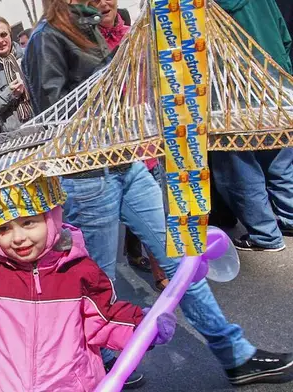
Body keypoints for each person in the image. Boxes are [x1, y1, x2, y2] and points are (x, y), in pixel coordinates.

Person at [23, 0, 293, 387]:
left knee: (182, 262)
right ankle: (97, 364)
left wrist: (127, 64)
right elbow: (52, 113)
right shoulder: (47, 38)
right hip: (86, 176)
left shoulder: (88, 25)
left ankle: (236, 356)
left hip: (126, 163)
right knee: (95, 281)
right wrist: (115, 78)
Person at [0, 177, 177, 391]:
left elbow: (105, 320)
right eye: (5, 228)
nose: (18, 237)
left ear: (51, 218)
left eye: (28, 222)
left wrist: (142, 328)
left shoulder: (79, 272)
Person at [95, 0, 169, 292]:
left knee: (154, 216)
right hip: (111, 152)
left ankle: (160, 270)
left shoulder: (134, 37)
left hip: (146, 144)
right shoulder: (83, 47)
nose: (103, 3)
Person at [213, 0, 293, 252]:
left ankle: (265, 234)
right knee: (279, 156)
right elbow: (284, 36)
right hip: (277, 79)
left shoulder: (201, 5)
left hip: (233, 88)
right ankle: (289, 217)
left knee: (238, 165)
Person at [0, 17, 34, 133]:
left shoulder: (28, 55)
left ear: (10, 34)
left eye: (3, 34)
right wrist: (9, 93)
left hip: (42, 128)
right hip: (13, 139)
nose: (0, 40)